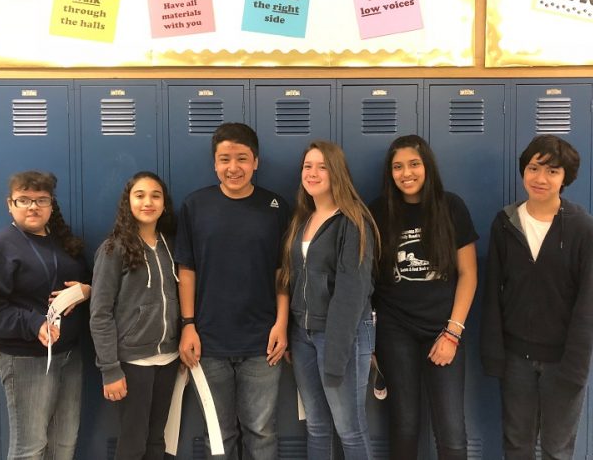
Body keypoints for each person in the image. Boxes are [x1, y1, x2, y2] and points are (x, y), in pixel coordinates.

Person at [481, 134, 593, 460]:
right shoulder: (505, 223)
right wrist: (495, 354)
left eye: (552, 171)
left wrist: (576, 368)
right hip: (515, 360)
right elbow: (493, 290)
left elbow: (590, 305)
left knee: (557, 449)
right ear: (523, 171)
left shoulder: (584, 229)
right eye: (534, 168)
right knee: (517, 446)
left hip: (563, 361)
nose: (541, 178)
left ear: (565, 178)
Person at [174, 122, 290, 459]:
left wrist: (282, 324)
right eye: (225, 159)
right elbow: (187, 269)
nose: (233, 167)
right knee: (218, 434)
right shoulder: (195, 205)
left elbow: (283, 272)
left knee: (262, 431)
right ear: (214, 163)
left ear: (256, 162)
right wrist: (188, 324)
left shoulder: (276, 207)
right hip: (208, 341)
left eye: (242, 158)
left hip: (262, 341)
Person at [0, 170, 91, 460]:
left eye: (40, 200)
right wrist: (33, 323)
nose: (32, 206)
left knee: (64, 443)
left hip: (69, 355)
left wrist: (86, 290)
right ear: (10, 204)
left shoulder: (63, 241)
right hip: (26, 359)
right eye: (23, 200)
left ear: (51, 204)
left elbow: (86, 280)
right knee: (30, 448)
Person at [370, 135, 478, 460]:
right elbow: (367, 278)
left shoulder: (451, 206)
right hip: (395, 330)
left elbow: (469, 274)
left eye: (414, 164)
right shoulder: (378, 211)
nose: (407, 173)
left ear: (427, 166)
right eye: (398, 166)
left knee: (451, 429)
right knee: (404, 425)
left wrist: (453, 332)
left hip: (444, 329)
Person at [280, 140, 380, 460]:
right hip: (304, 335)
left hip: (341, 336)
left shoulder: (352, 222)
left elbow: (352, 292)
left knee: (350, 428)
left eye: (322, 166)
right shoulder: (302, 220)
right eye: (308, 166)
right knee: (317, 426)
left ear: (337, 172)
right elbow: (292, 278)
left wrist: (336, 356)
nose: (313, 173)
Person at [90, 171, 180, 460]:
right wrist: (110, 369)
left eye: (156, 195)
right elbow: (100, 313)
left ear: (164, 204)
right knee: (133, 444)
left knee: (157, 441)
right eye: (139, 195)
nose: (148, 202)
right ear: (128, 202)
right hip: (131, 363)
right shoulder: (113, 249)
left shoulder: (171, 245)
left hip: (168, 360)